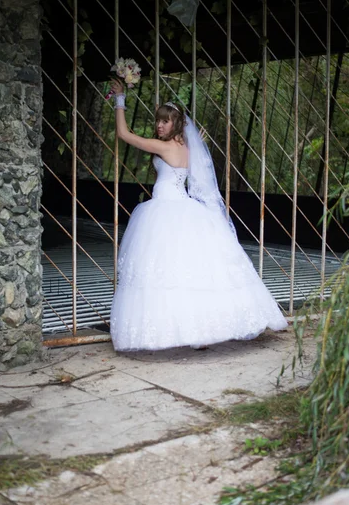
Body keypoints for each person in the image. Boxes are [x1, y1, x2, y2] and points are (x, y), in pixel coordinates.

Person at [109, 78, 287, 352]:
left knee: (165, 273)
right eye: (158, 121)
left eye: (165, 121)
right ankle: (200, 331)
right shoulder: (189, 150)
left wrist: (120, 100)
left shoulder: (165, 147)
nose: (159, 126)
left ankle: (177, 331)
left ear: (177, 124)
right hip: (185, 207)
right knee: (189, 273)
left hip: (164, 211)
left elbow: (125, 135)